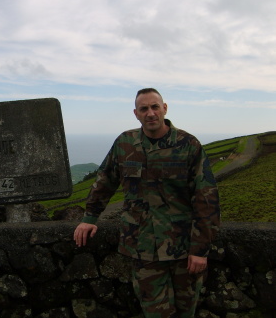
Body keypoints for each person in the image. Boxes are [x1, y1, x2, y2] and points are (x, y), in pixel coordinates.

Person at [74, 88, 220, 318]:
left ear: (165, 108)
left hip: (183, 249)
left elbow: (206, 197)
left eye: (155, 107)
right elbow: (104, 180)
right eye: (144, 109)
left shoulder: (188, 145)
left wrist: (200, 249)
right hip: (143, 248)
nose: (150, 113)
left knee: (185, 312)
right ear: (136, 113)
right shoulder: (125, 143)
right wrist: (89, 218)